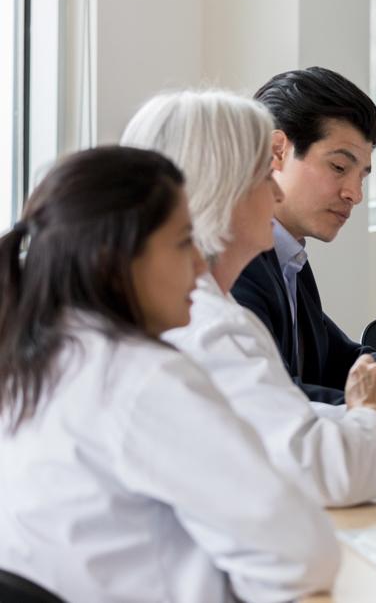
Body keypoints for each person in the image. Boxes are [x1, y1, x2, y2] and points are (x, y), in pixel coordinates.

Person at [0, 147, 337, 602]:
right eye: (183, 242)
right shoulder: (139, 377)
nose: (200, 264)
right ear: (113, 262)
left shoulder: (38, 355)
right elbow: (302, 551)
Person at [121, 90, 376, 508]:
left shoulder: (281, 264)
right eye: (264, 175)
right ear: (221, 188)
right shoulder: (214, 315)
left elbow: (302, 384)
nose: (277, 194)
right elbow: (297, 439)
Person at [234, 66, 376, 403]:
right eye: (339, 167)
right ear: (277, 151)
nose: (355, 194)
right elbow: (269, 401)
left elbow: (338, 358)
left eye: (362, 176)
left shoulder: (288, 258)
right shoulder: (234, 263)